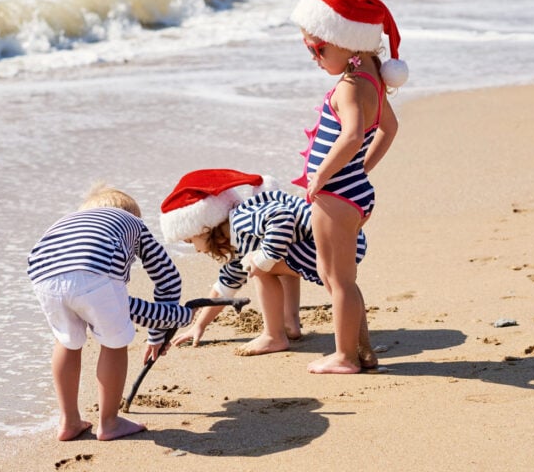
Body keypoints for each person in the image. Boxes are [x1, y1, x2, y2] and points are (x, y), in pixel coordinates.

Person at [289, 0, 404, 374]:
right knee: (339, 278)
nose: (314, 57)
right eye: (309, 49)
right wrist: (361, 169)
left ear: (347, 42)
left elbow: (352, 135)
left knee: (337, 280)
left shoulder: (352, 86)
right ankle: (363, 350)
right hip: (351, 190)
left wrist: (322, 175)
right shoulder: (373, 76)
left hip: (336, 195)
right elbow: (389, 128)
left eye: (319, 49)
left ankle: (344, 356)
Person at [27, 184, 192, 441]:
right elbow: (168, 278)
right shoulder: (133, 223)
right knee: (114, 343)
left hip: (43, 274)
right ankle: (109, 422)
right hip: (95, 270)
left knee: (66, 341)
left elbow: (124, 305)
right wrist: (160, 333)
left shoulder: (70, 223)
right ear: (134, 215)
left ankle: (68, 420)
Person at [158, 169, 374, 364]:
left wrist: (264, 258)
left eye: (191, 241)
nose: (195, 249)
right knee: (265, 258)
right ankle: (290, 324)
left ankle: (274, 336)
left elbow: (282, 217)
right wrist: (199, 325)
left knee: (260, 263)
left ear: (205, 227)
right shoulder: (240, 240)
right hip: (340, 240)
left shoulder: (241, 220)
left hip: (333, 242)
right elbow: (224, 287)